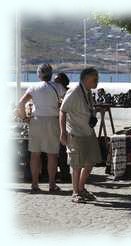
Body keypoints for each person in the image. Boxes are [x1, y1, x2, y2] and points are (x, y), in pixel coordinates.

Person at [17, 64, 66, 193]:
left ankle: (34, 184)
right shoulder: (58, 87)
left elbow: (21, 103)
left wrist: (24, 118)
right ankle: (51, 184)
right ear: (51, 74)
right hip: (52, 121)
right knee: (52, 155)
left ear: (38, 74)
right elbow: (66, 102)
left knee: (35, 154)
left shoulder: (33, 88)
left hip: (36, 121)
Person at [60, 67, 102, 203]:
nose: (97, 81)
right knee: (76, 164)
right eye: (95, 78)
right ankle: (75, 192)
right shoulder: (74, 92)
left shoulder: (88, 91)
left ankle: (81, 188)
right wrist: (63, 132)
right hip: (76, 133)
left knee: (90, 162)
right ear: (86, 79)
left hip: (88, 132)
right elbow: (62, 111)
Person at [54, 72, 71, 182]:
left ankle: (65, 174)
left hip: (63, 124)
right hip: (56, 123)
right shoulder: (57, 92)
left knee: (62, 149)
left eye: (56, 81)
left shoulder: (67, 94)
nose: (54, 83)